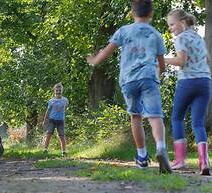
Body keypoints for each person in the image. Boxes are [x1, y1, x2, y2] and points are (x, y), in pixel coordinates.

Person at [86, 0, 171, 173]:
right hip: (148, 77)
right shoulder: (155, 34)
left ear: (133, 13)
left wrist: (94, 60)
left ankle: (142, 156)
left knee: (136, 116)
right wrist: (158, 73)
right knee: (155, 115)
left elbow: (106, 52)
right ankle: (161, 147)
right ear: (151, 14)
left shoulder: (124, 31)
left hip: (128, 79)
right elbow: (162, 66)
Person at [165, 9, 211, 175]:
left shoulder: (181, 38)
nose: (170, 28)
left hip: (188, 82)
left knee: (177, 118)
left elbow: (181, 61)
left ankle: (179, 160)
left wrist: (161, 60)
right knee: (198, 123)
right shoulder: (198, 37)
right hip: (205, 82)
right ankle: (204, 162)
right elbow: (207, 59)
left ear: (182, 22)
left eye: (171, 24)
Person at [42, 83, 69, 156]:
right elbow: (48, 111)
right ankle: (45, 150)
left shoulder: (65, 100)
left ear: (62, 90)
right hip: (52, 120)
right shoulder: (51, 101)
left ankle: (63, 152)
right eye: (57, 90)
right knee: (49, 134)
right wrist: (45, 120)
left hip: (61, 120)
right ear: (54, 91)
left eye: (60, 90)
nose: (58, 91)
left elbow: (66, 107)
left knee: (62, 136)